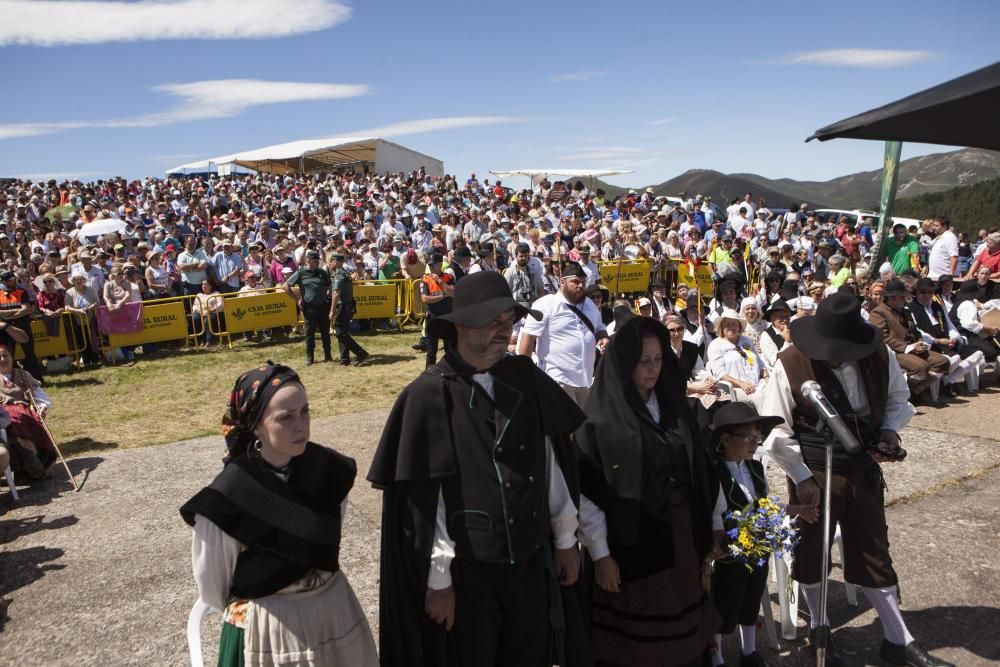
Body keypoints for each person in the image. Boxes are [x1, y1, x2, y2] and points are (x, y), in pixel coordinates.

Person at [367, 271, 590, 667]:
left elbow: (552, 462)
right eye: (494, 323)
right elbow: (425, 503)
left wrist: (565, 539)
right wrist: (439, 581)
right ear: (461, 326)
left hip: (528, 565)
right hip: (468, 576)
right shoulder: (429, 394)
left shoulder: (525, 378)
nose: (505, 334)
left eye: (509, 323)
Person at [758, 291, 954, 667]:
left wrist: (890, 432)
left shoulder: (878, 355)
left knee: (873, 551)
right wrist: (801, 477)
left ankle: (899, 639)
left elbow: (898, 400)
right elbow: (774, 431)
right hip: (813, 468)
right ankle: (820, 628)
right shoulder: (791, 362)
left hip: (862, 466)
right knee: (812, 552)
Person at [180, 363, 378, 666]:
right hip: (270, 630)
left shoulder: (329, 471)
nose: (301, 425)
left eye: (305, 411)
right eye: (286, 417)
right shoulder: (228, 497)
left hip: (334, 614)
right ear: (257, 424)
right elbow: (213, 589)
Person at [575, 315, 721, 666]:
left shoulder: (675, 409)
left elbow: (701, 471)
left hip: (681, 539)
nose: (653, 369)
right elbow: (587, 493)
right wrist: (600, 555)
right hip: (632, 550)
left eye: (658, 360)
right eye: (644, 361)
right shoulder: (601, 420)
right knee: (638, 648)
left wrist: (713, 523)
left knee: (684, 637)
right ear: (625, 363)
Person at [708, 402, 809, 667]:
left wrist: (797, 508)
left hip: (757, 545)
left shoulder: (754, 469)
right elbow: (716, 510)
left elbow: (764, 504)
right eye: (748, 438)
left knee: (751, 597)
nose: (754, 443)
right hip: (730, 550)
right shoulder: (716, 471)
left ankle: (749, 650)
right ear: (726, 439)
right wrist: (717, 539)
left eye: (757, 437)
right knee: (726, 600)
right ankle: (716, 655)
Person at [518, 261, 609, 406]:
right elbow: (528, 339)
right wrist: (525, 375)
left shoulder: (590, 305)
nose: (580, 286)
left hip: (585, 379)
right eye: (575, 282)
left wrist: (603, 336)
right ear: (562, 282)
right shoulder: (546, 304)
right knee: (565, 427)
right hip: (557, 379)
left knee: (584, 426)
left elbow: (599, 326)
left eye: (583, 282)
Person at [867, 279, 951, 398]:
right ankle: (907, 391)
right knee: (922, 367)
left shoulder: (905, 311)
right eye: (902, 297)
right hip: (895, 352)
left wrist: (920, 342)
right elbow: (883, 338)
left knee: (943, 362)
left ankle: (914, 390)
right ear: (892, 298)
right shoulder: (878, 313)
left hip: (914, 349)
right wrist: (908, 347)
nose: (906, 299)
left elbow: (915, 331)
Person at [0, 344, 56, 480]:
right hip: (2, 413)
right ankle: (27, 460)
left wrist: (41, 407)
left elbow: (40, 397)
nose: (2, 359)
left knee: (20, 418)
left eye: (5, 355)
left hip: (25, 410)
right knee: (13, 420)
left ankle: (34, 461)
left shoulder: (24, 375)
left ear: (12, 357)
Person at [284, 249, 333, 365]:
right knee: (310, 333)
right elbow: (286, 286)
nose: (317, 262)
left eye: (318, 260)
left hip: (322, 306)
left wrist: (329, 297)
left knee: (325, 332)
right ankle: (310, 358)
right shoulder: (301, 273)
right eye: (315, 260)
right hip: (309, 307)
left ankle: (328, 355)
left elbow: (329, 286)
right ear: (309, 260)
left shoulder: (322, 272)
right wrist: (297, 300)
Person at [707, 309, 765, 403]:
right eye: (728, 324)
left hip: (757, 383)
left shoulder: (746, 340)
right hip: (735, 388)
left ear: (739, 326)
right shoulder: (716, 345)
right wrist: (741, 384)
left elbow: (757, 361)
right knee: (760, 398)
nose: (732, 327)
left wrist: (767, 377)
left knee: (775, 391)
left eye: (735, 324)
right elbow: (720, 374)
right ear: (721, 327)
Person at [329, 248, 368, 366]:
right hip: (347, 305)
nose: (330, 263)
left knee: (340, 332)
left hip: (343, 306)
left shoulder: (340, 274)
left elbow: (336, 293)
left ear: (336, 261)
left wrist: (332, 310)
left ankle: (361, 353)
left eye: (331, 261)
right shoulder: (344, 272)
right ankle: (344, 358)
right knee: (343, 331)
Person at [419, 253, 455, 368]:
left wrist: (440, 281)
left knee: (450, 350)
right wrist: (443, 296)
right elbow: (425, 299)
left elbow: (453, 293)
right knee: (431, 352)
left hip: (447, 318)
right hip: (433, 318)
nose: (430, 267)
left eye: (433, 265)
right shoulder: (425, 279)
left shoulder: (448, 278)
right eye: (429, 265)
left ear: (440, 264)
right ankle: (429, 375)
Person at [758, 298, 793, 370]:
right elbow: (775, 362)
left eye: (786, 316)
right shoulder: (766, 336)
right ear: (772, 318)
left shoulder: (795, 329)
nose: (785, 320)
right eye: (780, 317)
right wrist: (787, 342)